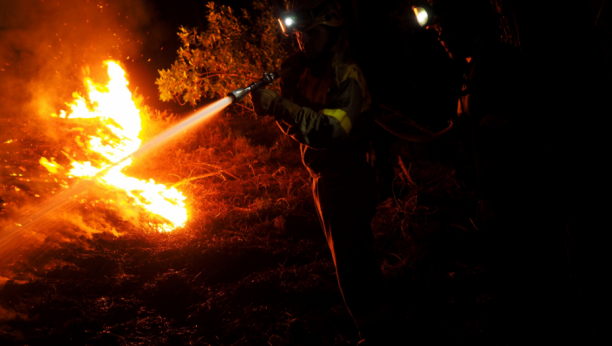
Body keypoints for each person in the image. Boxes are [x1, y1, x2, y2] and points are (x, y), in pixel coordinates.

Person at [412, 0, 576, 342]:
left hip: (520, 199)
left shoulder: (499, 64)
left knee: (530, 287)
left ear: (471, 27)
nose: (442, 38)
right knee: (516, 288)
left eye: (447, 29)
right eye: (438, 31)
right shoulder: (471, 70)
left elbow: (524, 127)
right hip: (498, 198)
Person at [251, 1, 404, 344]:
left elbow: (331, 132)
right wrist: (281, 106)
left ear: (332, 31)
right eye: (300, 34)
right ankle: (375, 329)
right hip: (325, 178)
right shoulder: (310, 71)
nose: (304, 40)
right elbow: (302, 130)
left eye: (313, 32)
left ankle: (380, 334)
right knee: (348, 264)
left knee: (355, 263)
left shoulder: (346, 73)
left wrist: (279, 106)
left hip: (349, 175)